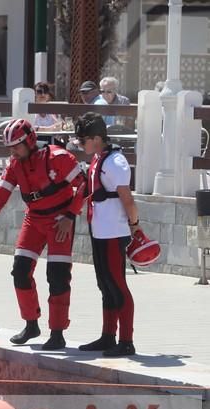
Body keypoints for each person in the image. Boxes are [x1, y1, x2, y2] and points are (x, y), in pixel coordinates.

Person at [0, 119, 86, 350]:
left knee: (57, 277)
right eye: (10, 148)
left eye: (16, 146)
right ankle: (31, 324)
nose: (12, 152)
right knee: (20, 271)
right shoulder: (14, 165)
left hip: (59, 221)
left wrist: (70, 216)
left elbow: (85, 186)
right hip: (34, 219)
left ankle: (57, 333)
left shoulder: (58, 157)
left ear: (30, 141)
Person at [74, 112, 139, 357]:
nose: (81, 145)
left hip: (113, 231)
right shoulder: (98, 159)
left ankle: (126, 340)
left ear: (97, 138)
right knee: (104, 284)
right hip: (99, 230)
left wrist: (136, 226)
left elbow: (128, 199)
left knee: (118, 284)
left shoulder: (115, 162)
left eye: (83, 141)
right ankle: (108, 335)